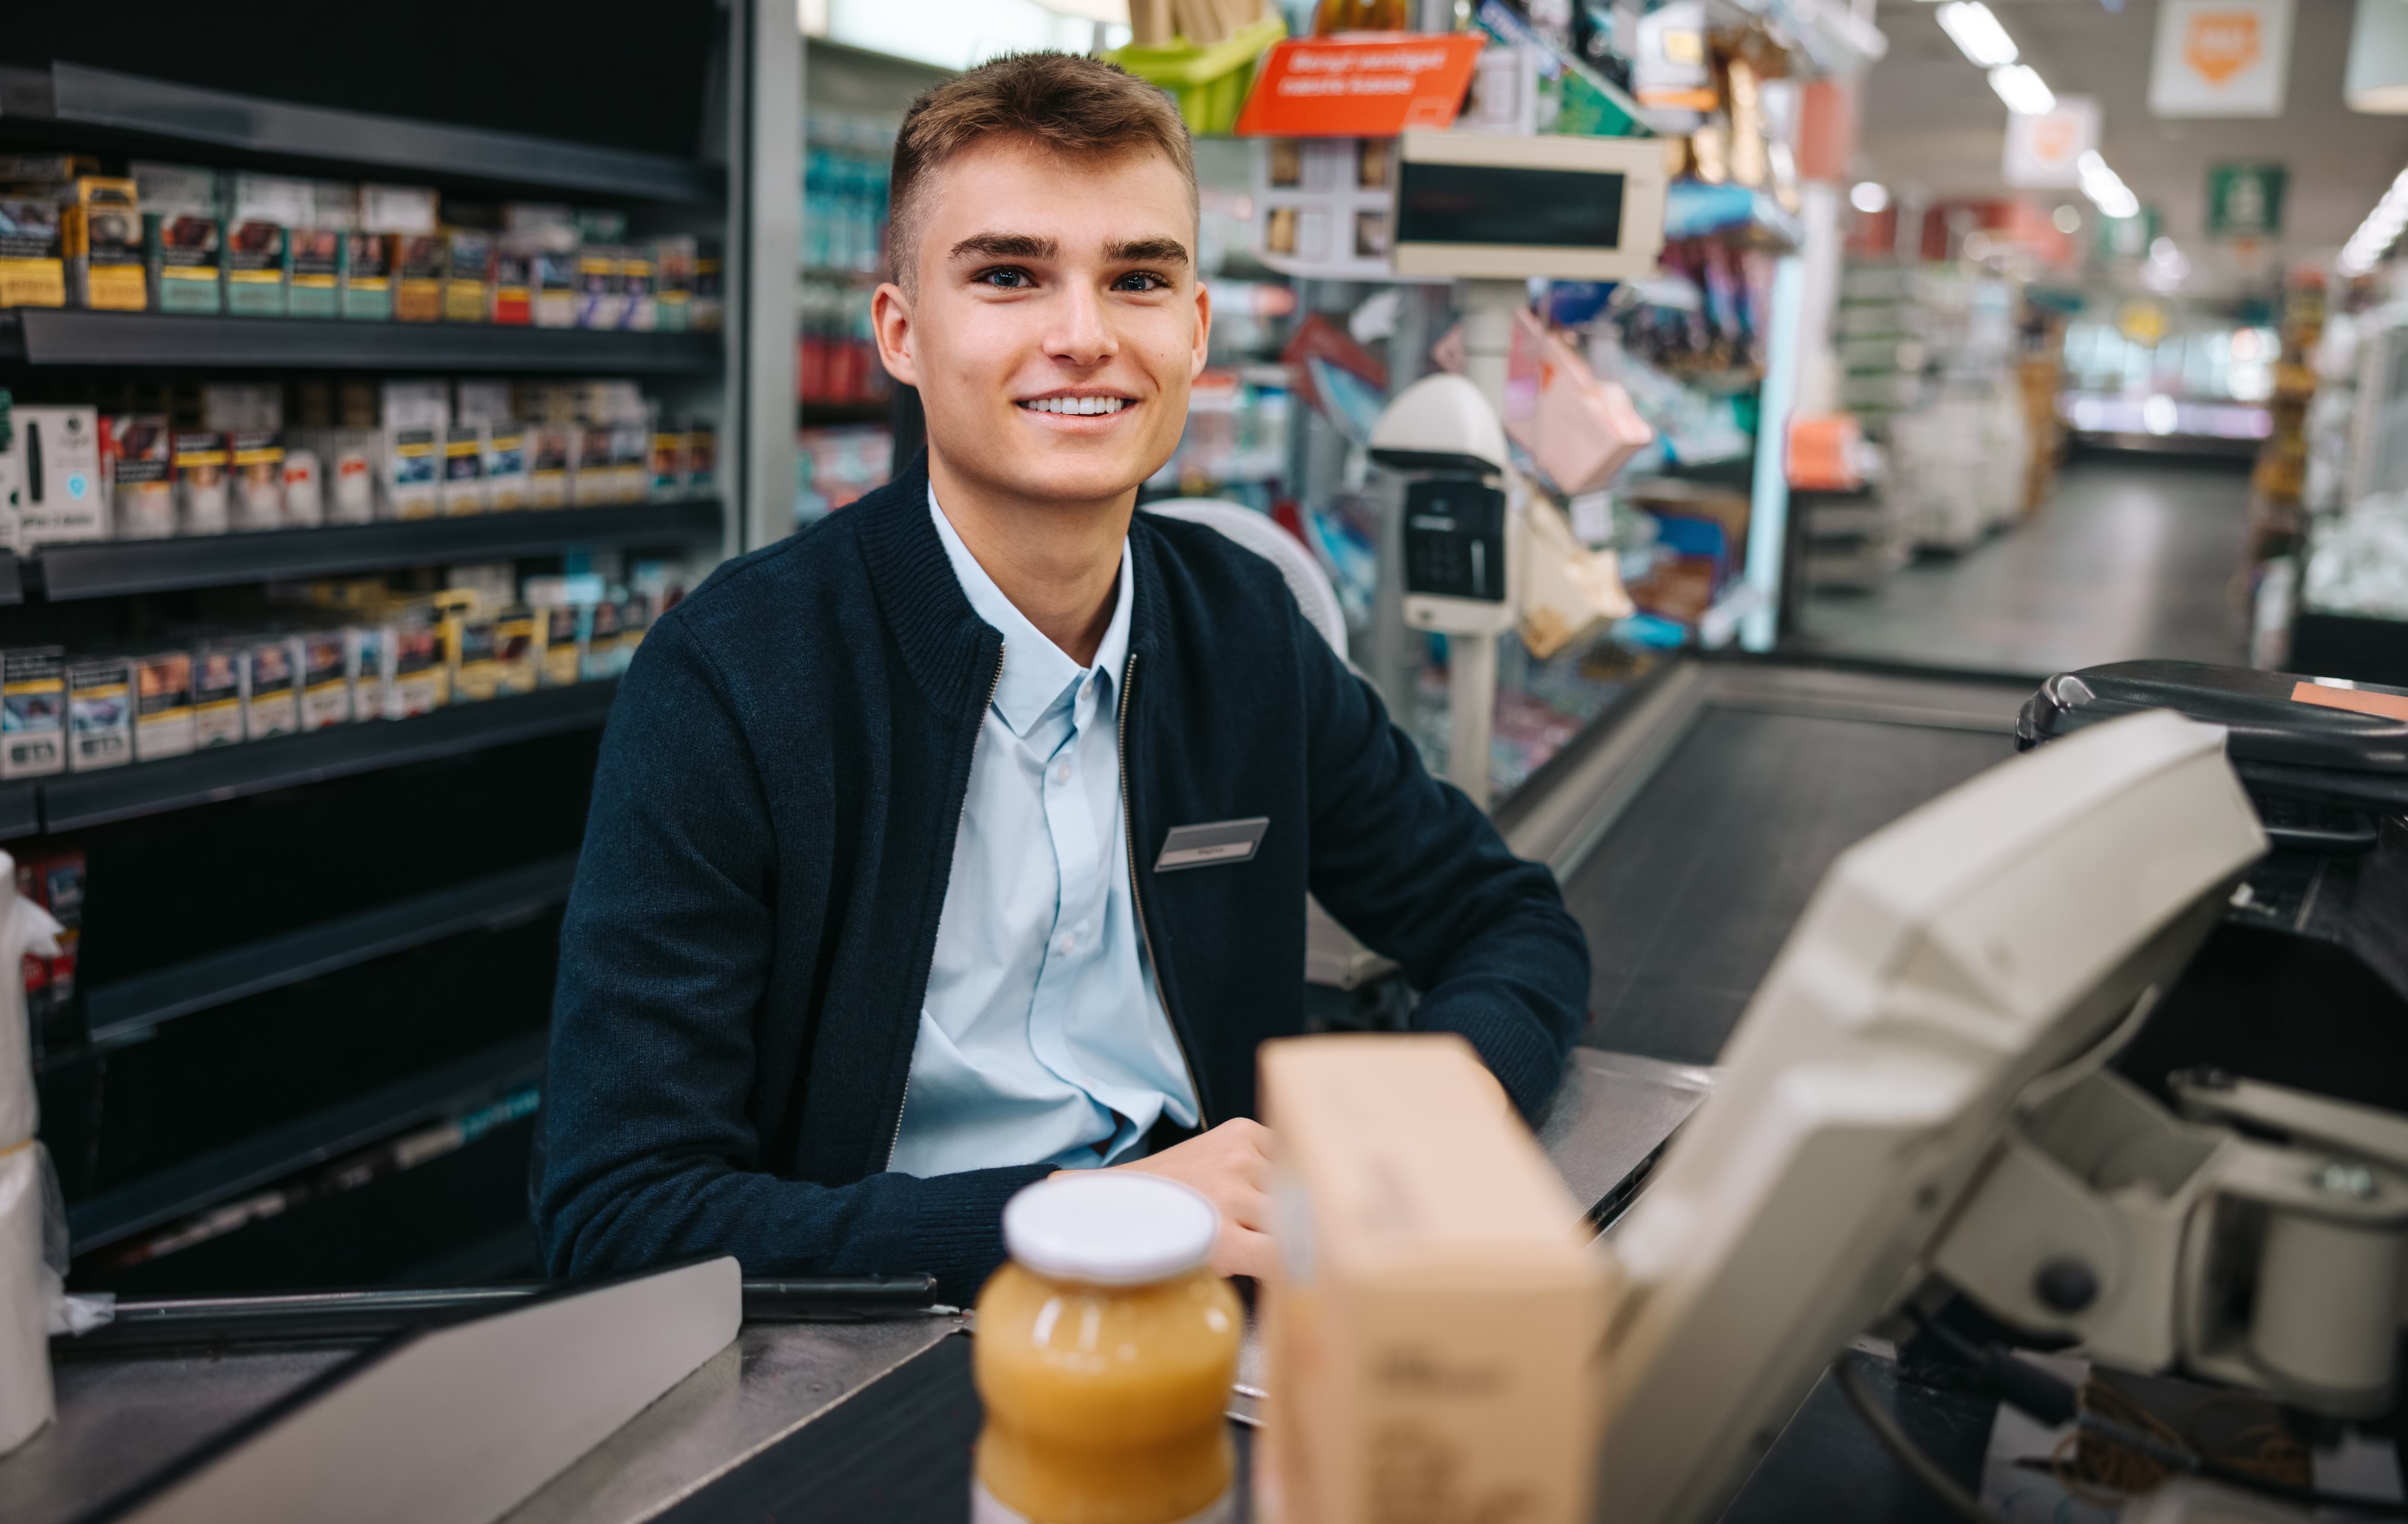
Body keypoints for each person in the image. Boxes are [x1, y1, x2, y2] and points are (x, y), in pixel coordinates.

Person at [534, 51, 1589, 1296]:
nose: (1083, 337)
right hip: (892, 1341)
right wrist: (1094, 1217)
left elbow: (1508, 919)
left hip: (1232, 1311)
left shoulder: (1242, 631)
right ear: (903, 334)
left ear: (1193, 332)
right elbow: (621, 1213)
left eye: (1138, 278)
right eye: (1009, 275)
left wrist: (1419, 1116)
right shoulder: (736, 680)